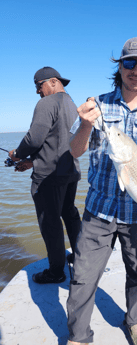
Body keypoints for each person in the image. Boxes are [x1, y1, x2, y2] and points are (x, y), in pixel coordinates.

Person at [66, 37, 137, 345]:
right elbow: (74, 152)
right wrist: (85, 125)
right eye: (129, 63)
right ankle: (78, 337)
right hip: (98, 210)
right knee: (82, 278)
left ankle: (134, 323)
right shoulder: (96, 105)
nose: (135, 71)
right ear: (120, 66)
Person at [9, 67, 81, 284]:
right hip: (70, 171)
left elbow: (34, 139)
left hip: (49, 177)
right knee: (70, 213)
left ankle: (56, 271)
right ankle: (80, 258)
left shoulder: (46, 103)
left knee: (50, 222)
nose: (37, 92)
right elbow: (58, 143)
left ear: (52, 82)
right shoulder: (72, 105)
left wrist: (17, 154)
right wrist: (32, 161)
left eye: (38, 86)